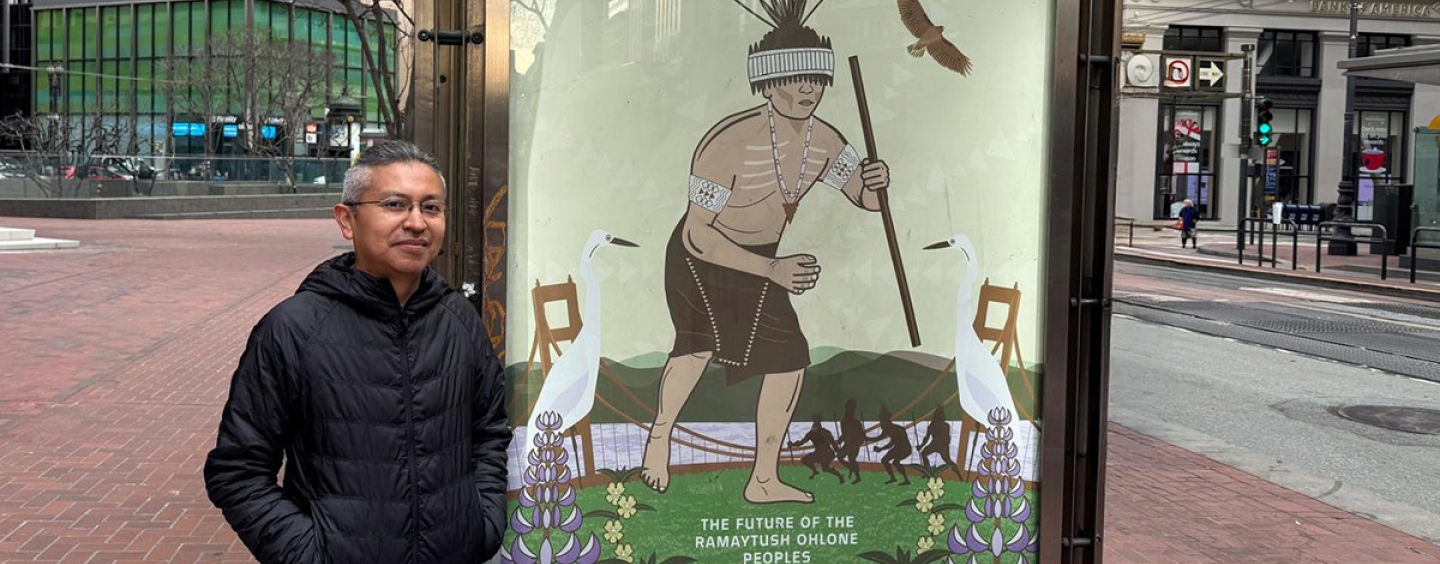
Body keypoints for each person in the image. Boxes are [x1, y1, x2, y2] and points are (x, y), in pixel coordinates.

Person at [203, 141, 511, 564]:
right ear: (347, 220)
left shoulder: (459, 319)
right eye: (395, 204)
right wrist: (311, 554)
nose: (417, 222)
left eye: (432, 207)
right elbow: (237, 472)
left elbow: (489, 430)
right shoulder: (293, 329)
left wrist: (482, 523)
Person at [639, 0, 892, 504]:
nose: (808, 89)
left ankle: (763, 479)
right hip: (702, 256)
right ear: (769, 81)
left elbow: (862, 199)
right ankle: (660, 436)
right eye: (796, 77)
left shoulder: (825, 141)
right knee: (696, 348)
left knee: (790, 357)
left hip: (762, 262)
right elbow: (697, 235)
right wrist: (771, 269)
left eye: (815, 78)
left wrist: (874, 185)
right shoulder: (727, 143)